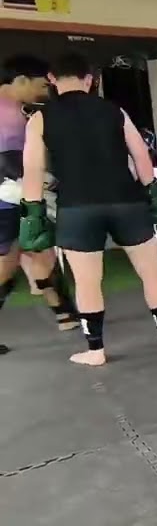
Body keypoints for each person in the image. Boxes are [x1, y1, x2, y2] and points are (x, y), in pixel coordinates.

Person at [19, 52, 157, 366]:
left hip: (76, 208)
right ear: (89, 79)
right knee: (151, 272)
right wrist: (153, 193)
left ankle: (95, 350)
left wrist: (32, 213)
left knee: (87, 281)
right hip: (126, 201)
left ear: (52, 80)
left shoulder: (40, 118)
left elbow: (32, 169)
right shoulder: (114, 111)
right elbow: (141, 155)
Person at [0, 54, 76, 353]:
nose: (45, 92)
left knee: (41, 252)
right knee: (7, 264)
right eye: (42, 86)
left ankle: (66, 315)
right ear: (20, 81)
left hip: (20, 195)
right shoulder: (6, 114)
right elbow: (7, 163)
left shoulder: (16, 110)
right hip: (6, 200)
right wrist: (50, 182)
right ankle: (66, 314)